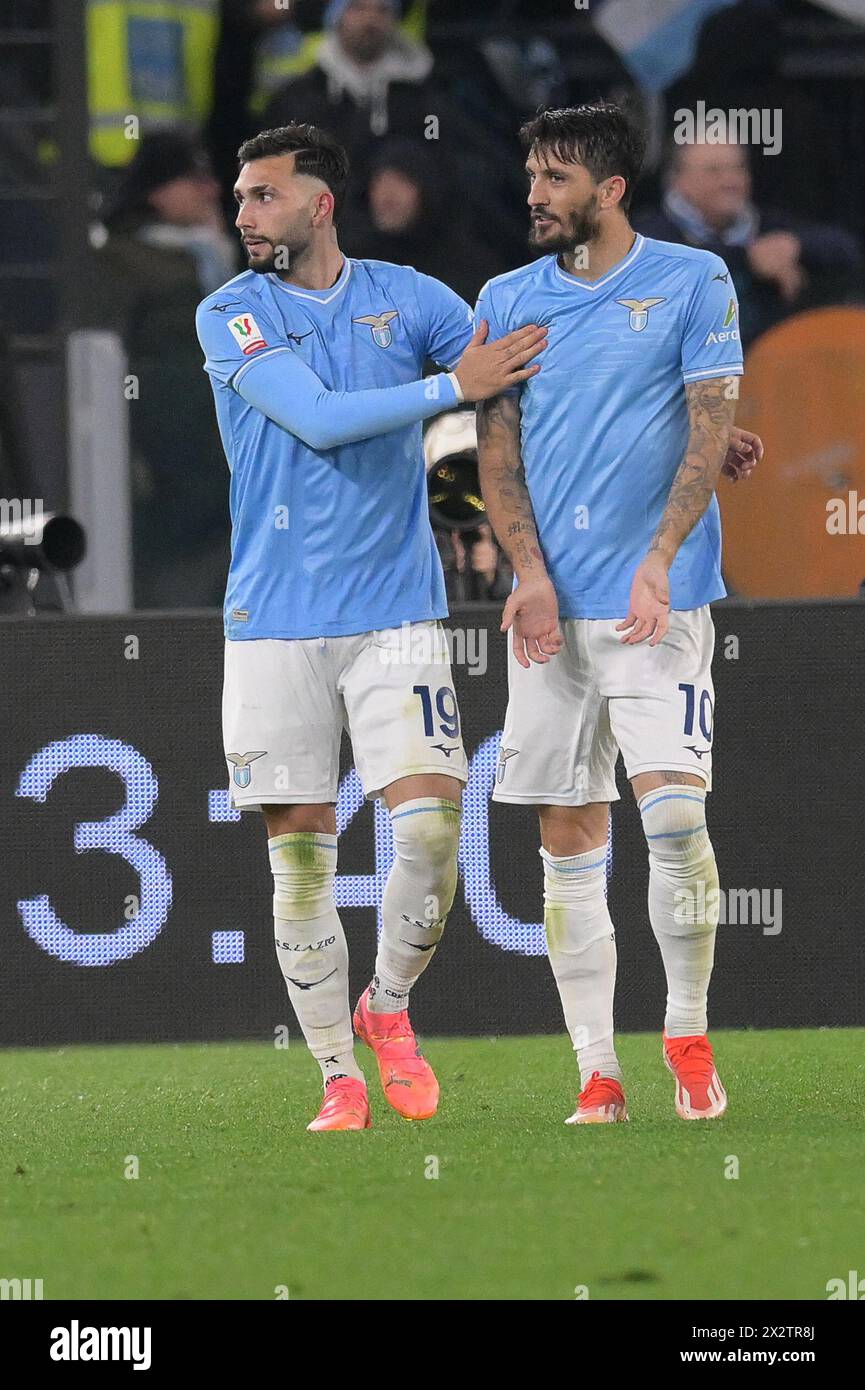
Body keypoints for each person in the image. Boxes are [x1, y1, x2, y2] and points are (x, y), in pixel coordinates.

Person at [194, 122, 546, 1132]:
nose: (245, 212)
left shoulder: (412, 299)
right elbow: (314, 416)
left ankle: (386, 1007)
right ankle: (336, 1076)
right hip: (274, 621)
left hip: (397, 607)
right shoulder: (232, 313)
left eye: (264, 195)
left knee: (433, 827)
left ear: (320, 203)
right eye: (241, 194)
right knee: (298, 851)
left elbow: (512, 373)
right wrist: (451, 392)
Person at [475, 102, 764, 1126]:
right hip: (554, 615)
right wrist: (526, 572)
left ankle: (685, 1031)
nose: (532, 197)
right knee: (568, 840)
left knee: (676, 817)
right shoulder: (506, 299)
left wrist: (658, 559)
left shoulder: (691, 280)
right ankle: (597, 1068)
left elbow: (710, 420)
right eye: (530, 178)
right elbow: (497, 451)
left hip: (660, 601)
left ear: (607, 190)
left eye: (552, 180)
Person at [91, 134, 240, 608]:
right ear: (157, 191)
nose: (211, 190)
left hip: (223, 446)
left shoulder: (222, 255)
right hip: (167, 454)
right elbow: (102, 360)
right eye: (194, 180)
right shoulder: (118, 260)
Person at [634, 140, 863, 347]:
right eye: (713, 171)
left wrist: (794, 245)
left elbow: (846, 248)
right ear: (678, 180)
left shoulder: (765, 226)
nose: (729, 181)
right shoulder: (650, 231)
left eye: (738, 169)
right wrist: (749, 259)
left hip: (765, 371)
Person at [340, 138, 508, 305]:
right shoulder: (348, 264)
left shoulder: (471, 269)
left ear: (427, 192)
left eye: (401, 181)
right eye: (379, 181)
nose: (387, 196)